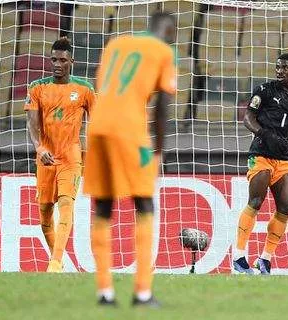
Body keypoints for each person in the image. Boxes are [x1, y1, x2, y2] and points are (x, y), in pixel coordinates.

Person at [84, 12, 176, 307]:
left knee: (103, 204)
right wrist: (159, 152)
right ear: (170, 31)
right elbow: (162, 107)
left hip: (97, 127)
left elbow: (105, 86)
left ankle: (104, 292)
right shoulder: (163, 51)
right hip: (129, 130)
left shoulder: (115, 45)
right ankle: (142, 292)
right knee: (144, 201)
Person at [233, 53, 288, 275]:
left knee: (285, 208)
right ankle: (239, 256)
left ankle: (265, 259)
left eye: (284, 67)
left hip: (286, 158)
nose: (279, 71)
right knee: (256, 201)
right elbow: (247, 118)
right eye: (277, 67)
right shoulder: (264, 90)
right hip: (261, 153)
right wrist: (264, 133)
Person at [25, 37, 95, 272]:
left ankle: (54, 262)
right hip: (45, 158)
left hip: (71, 156)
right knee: (45, 215)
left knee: (66, 204)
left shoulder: (85, 89)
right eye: (53, 59)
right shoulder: (37, 88)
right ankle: (60, 263)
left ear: (71, 62)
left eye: (62, 60)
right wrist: (39, 147)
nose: (57, 64)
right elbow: (32, 123)